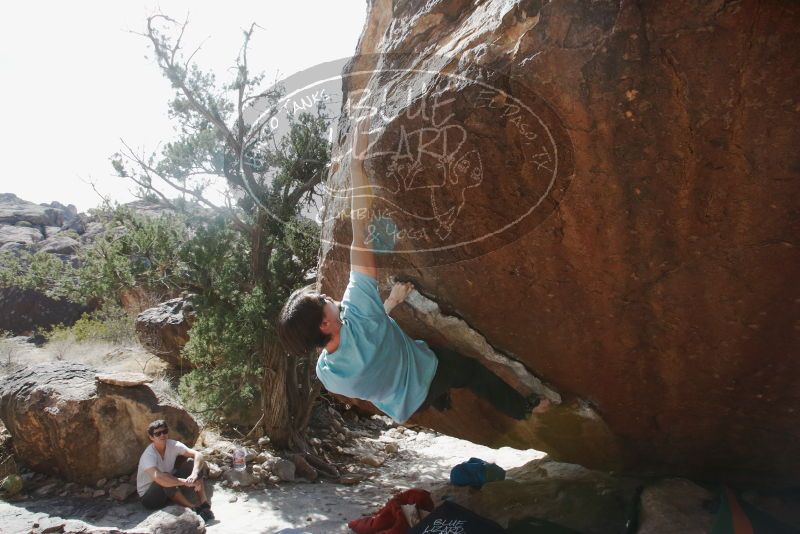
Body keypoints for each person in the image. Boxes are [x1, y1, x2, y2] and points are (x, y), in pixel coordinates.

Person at [278, 113, 541, 424]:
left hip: (407, 406)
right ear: (324, 324)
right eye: (322, 300)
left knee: (408, 361)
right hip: (429, 370)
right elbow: (360, 231)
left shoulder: (328, 375)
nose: (327, 296)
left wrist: (390, 303)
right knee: (469, 372)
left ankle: (440, 400)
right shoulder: (361, 312)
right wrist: (356, 164)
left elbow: (369, 338)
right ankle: (526, 409)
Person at [136, 419, 215, 523]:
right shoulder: (148, 455)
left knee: (191, 463)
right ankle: (193, 508)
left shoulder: (172, 445)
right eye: (158, 433)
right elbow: (159, 478)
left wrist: (194, 474)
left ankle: (204, 503)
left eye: (164, 431)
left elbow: (198, 455)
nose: (162, 435)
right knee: (165, 478)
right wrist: (184, 482)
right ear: (151, 437)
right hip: (149, 498)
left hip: (168, 488)